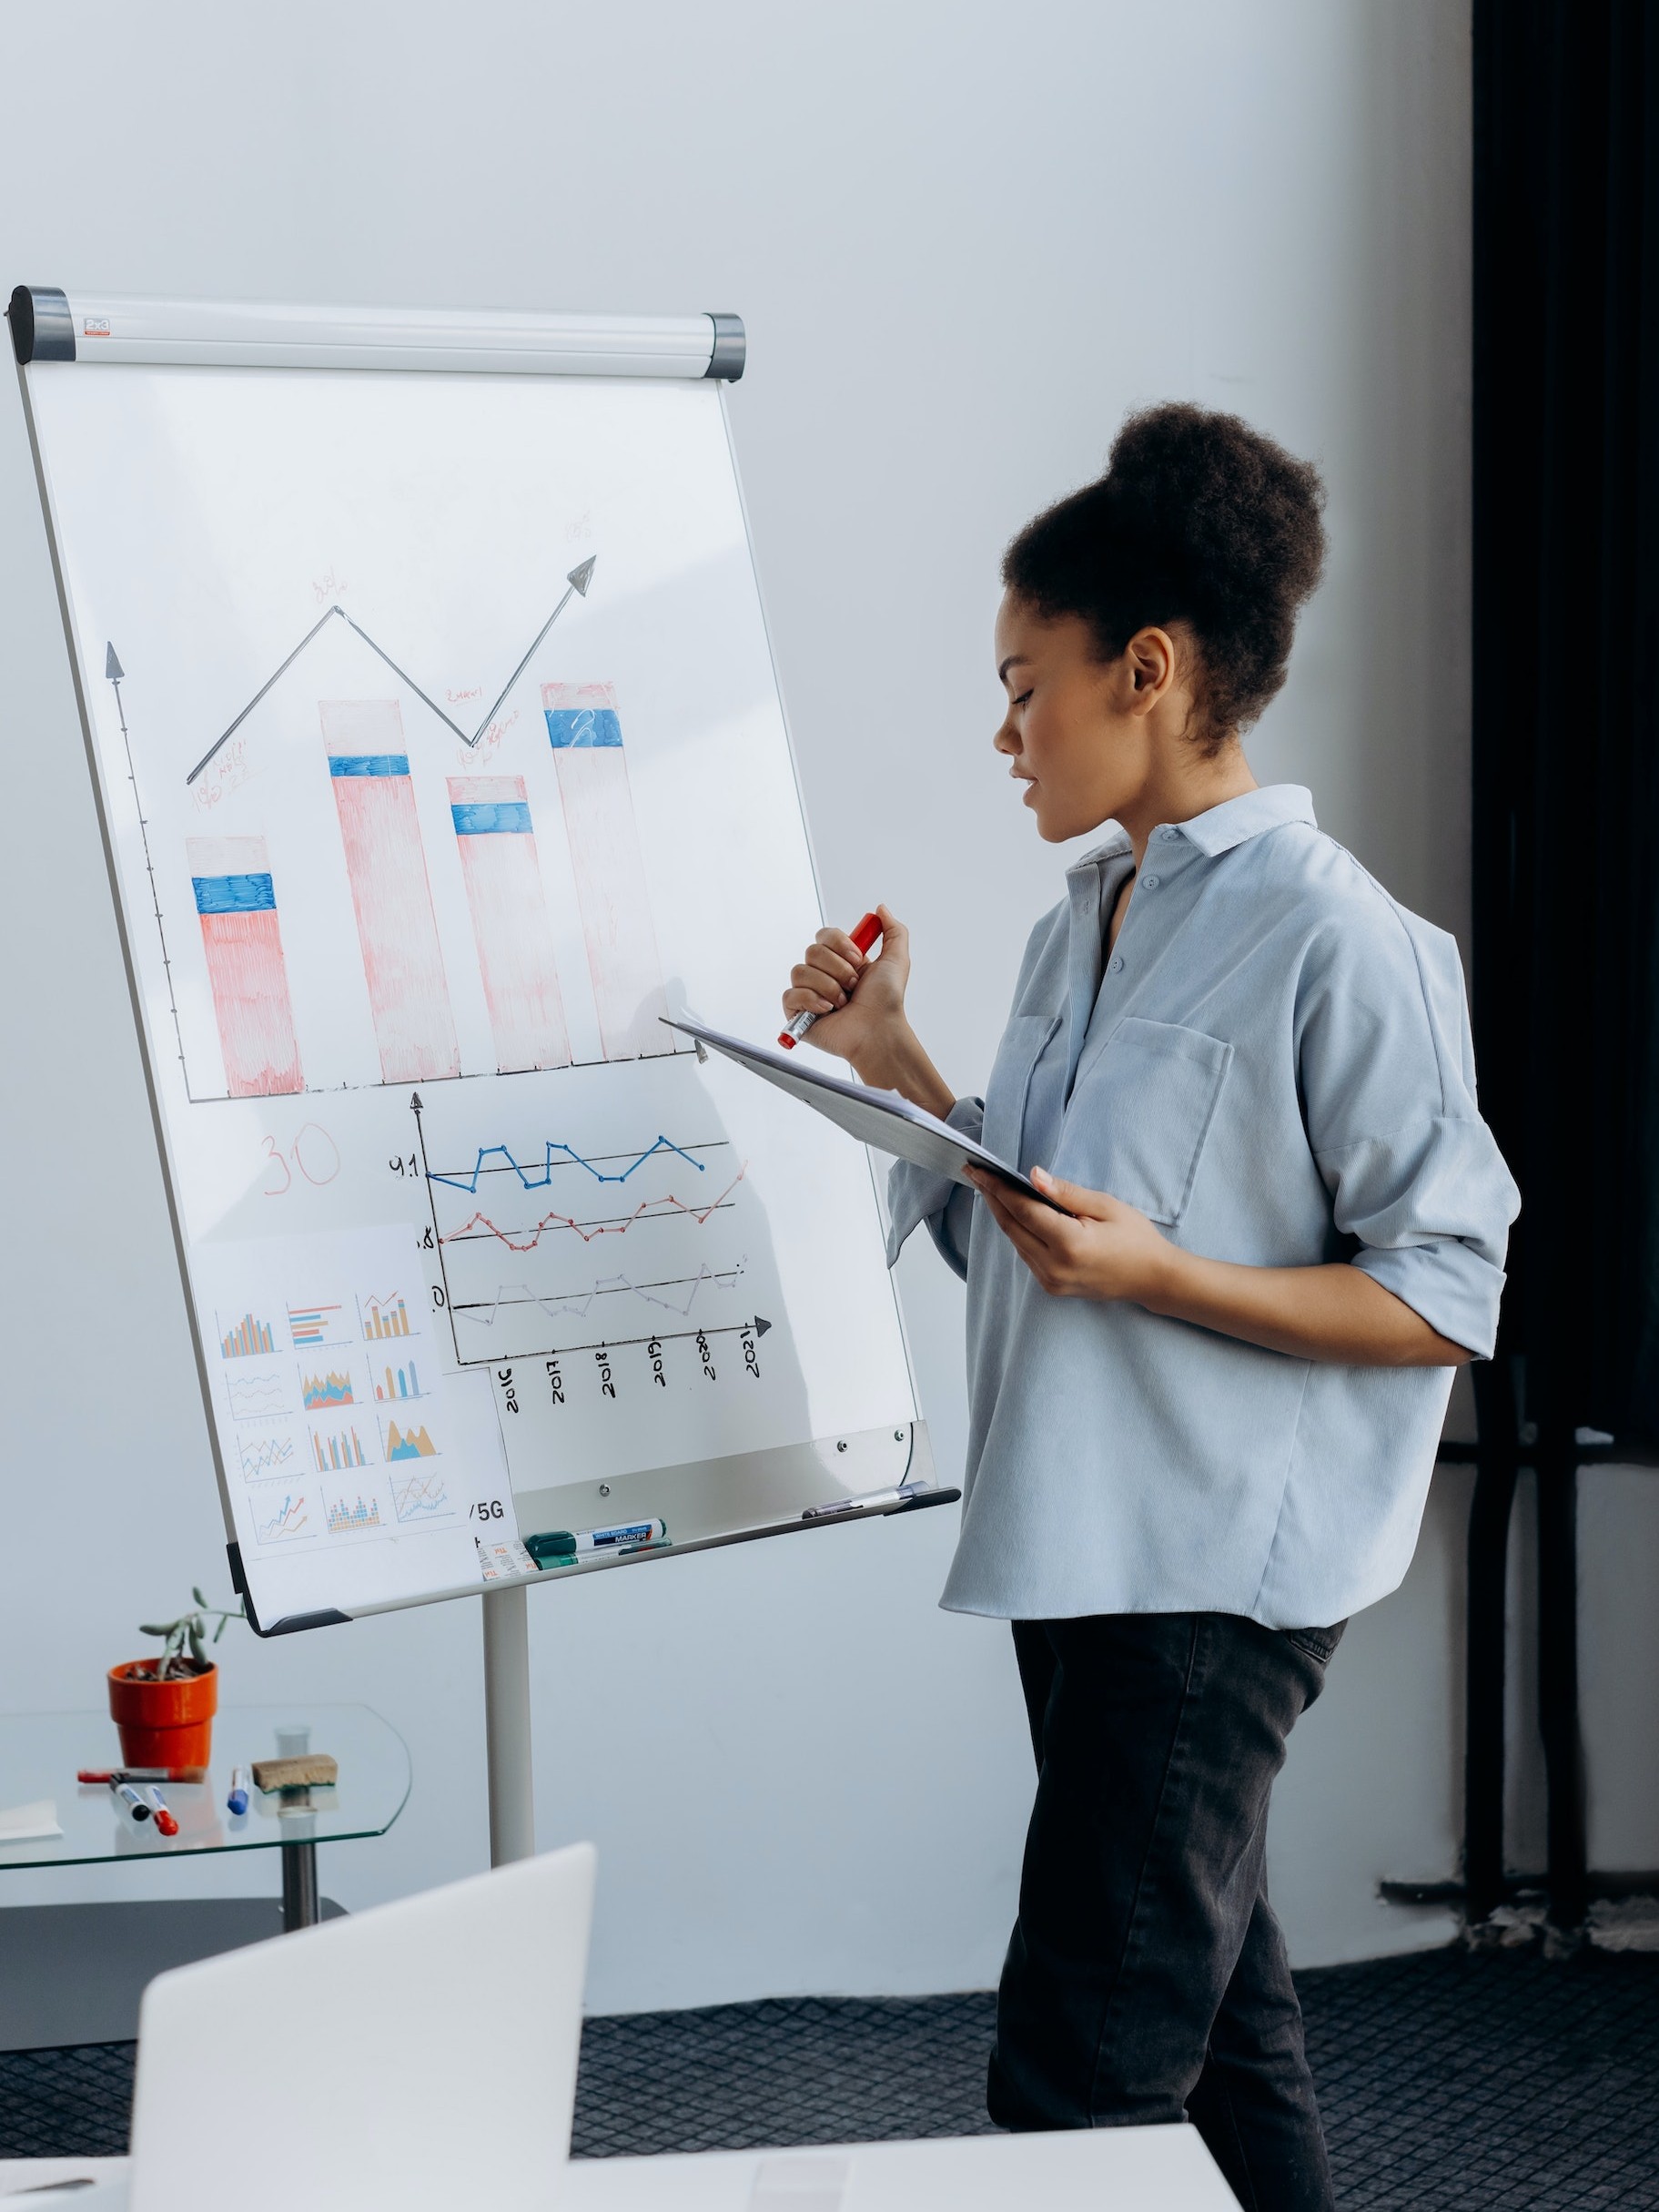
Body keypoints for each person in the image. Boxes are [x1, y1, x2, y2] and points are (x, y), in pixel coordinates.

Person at [780, 402, 1520, 2212]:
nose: (1005, 729)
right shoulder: (1074, 924)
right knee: (1219, 2025)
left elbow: (1449, 1293)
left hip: (1211, 1574)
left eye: (1028, 681)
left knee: (1085, 2062)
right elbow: (1037, 1244)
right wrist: (896, 1067)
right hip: (1081, 1542)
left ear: (1154, 669)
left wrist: (1159, 1270)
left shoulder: (1347, 944)